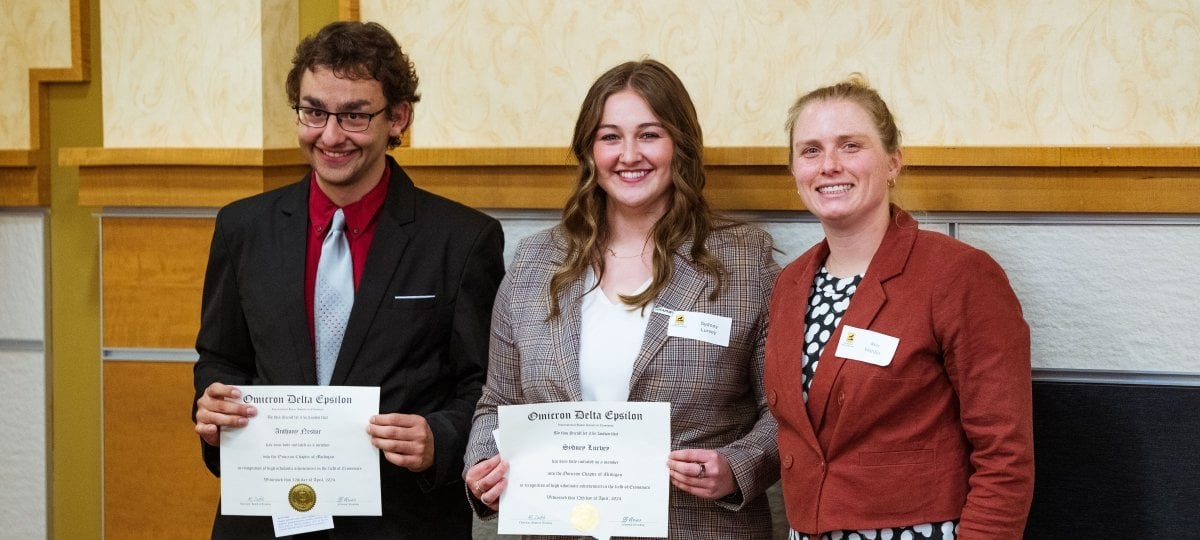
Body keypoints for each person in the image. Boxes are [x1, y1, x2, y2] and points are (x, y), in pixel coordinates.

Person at [191, 21, 504, 539]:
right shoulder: (242, 228)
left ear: (397, 118)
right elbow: (221, 358)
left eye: (355, 116)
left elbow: (487, 388)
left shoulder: (463, 239)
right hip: (265, 517)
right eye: (314, 112)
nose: (331, 136)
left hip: (400, 521)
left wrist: (440, 438)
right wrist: (213, 403)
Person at [462, 59, 781, 538]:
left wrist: (737, 467)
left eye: (649, 134)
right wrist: (484, 463)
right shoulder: (534, 263)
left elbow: (784, 412)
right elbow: (497, 401)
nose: (629, 154)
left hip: (698, 526)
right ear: (590, 151)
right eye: (610, 137)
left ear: (681, 146)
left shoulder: (743, 261)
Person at [764, 74, 1034, 539]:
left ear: (893, 162)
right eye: (811, 150)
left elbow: (1005, 457)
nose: (829, 164)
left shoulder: (957, 275)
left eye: (850, 146)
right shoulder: (790, 283)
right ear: (794, 172)